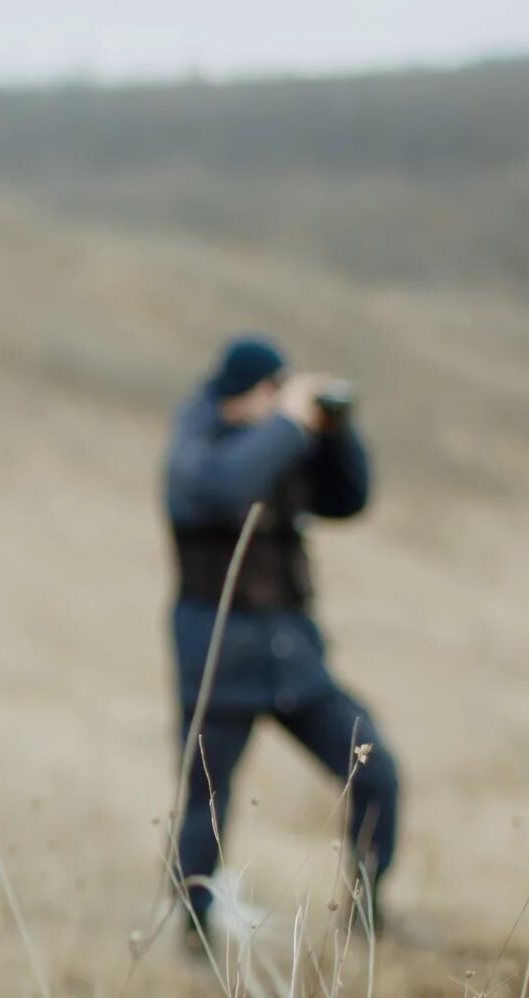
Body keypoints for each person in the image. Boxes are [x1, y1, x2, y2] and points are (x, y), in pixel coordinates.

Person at [161, 333, 401, 954]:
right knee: (205, 806)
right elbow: (224, 490)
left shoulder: (278, 448)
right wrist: (290, 425)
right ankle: (190, 931)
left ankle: (368, 918)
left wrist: (334, 429)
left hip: (292, 660)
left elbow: (349, 498)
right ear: (248, 395)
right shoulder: (196, 449)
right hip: (218, 660)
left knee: (377, 771)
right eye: (275, 393)